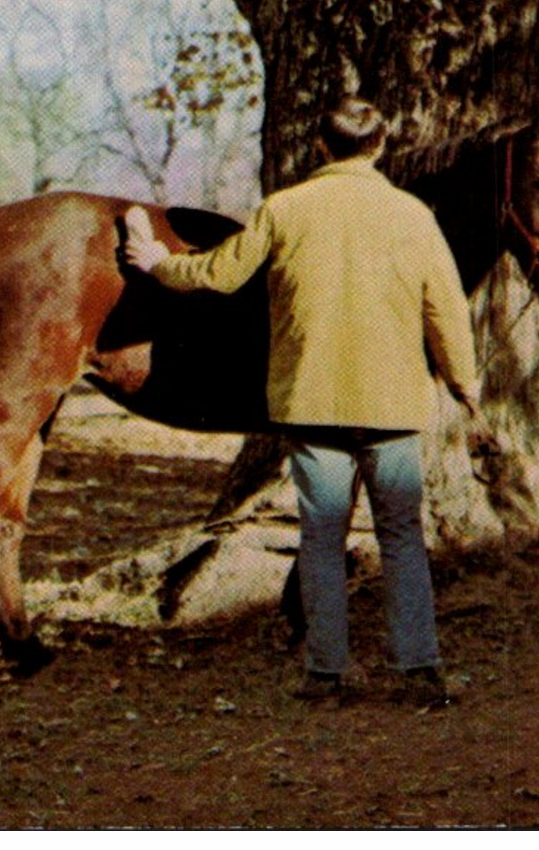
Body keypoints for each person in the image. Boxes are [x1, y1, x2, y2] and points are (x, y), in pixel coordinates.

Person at [122, 96, 489, 709]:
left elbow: (218, 275)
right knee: (401, 534)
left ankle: (326, 673)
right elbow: (445, 310)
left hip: (312, 400)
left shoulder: (284, 208)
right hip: (393, 403)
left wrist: (161, 264)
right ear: (380, 146)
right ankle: (419, 669)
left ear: (320, 147)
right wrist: (464, 383)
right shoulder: (412, 216)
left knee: (321, 535)